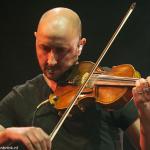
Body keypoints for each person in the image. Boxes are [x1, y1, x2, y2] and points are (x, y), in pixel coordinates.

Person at [0, 7, 150, 150]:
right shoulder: (21, 96)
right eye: (44, 48)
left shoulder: (110, 87)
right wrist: (7, 135)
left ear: (80, 45)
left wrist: (145, 111)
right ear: (35, 39)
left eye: (61, 50)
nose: (51, 60)